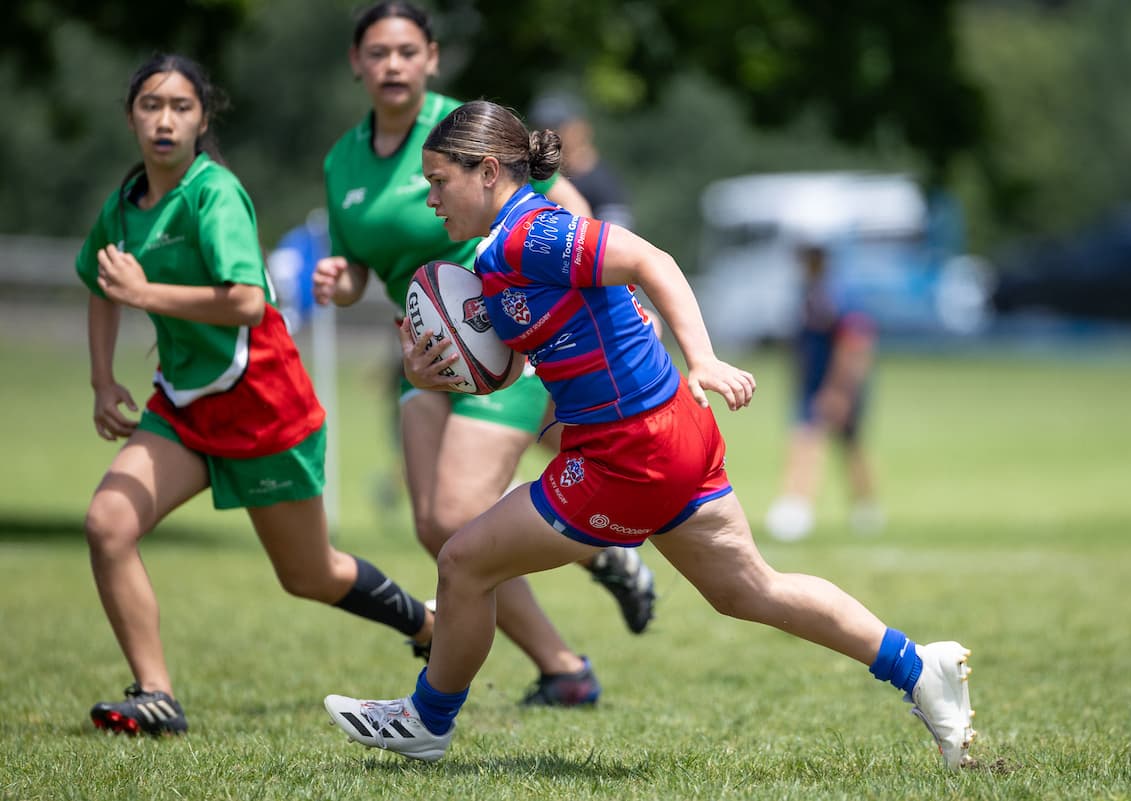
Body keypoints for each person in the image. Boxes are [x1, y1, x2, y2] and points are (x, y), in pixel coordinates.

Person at [322, 100, 979, 771]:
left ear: (488, 170)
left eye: (439, 181)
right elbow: (515, 363)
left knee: (463, 560)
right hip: (668, 433)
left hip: (627, 448)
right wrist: (429, 369)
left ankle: (426, 721)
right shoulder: (495, 254)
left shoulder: (532, 234)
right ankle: (919, 668)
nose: (430, 198)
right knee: (748, 588)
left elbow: (652, 261)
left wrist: (705, 358)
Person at [77, 54, 434, 736]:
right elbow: (103, 283)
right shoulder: (124, 206)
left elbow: (244, 301)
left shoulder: (216, 194)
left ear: (202, 119)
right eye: (151, 104)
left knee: (310, 574)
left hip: (264, 407)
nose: (165, 119)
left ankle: (426, 622)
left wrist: (143, 293)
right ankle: (156, 693)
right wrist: (101, 377)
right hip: (182, 405)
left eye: (182, 106)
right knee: (107, 525)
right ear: (131, 116)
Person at [312, 1, 655, 707]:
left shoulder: (462, 131)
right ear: (356, 63)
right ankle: (565, 665)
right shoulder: (341, 161)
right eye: (377, 52)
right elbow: (355, 270)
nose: (393, 65)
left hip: (503, 337)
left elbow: (569, 206)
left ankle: (598, 549)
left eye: (407, 50)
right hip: (428, 349)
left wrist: (594, 292)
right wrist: (338, 281)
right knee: (437, 525)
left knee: (467, 516)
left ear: (432, 57)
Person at [764, 244, 885, 541]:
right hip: (813, 385)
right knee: (828, 442)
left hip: (833, 386)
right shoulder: (808, 291)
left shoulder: (836, 294)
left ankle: (798, 509)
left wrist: (839, 391)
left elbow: (856, 342)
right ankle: (862, 509)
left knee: (827, 443)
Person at [529, 92, 634, 231]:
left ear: (581, 129)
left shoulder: (602, 182)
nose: (547, 136)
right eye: (541, 128)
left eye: (556, 128)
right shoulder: (535, 176)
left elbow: (618, 236)